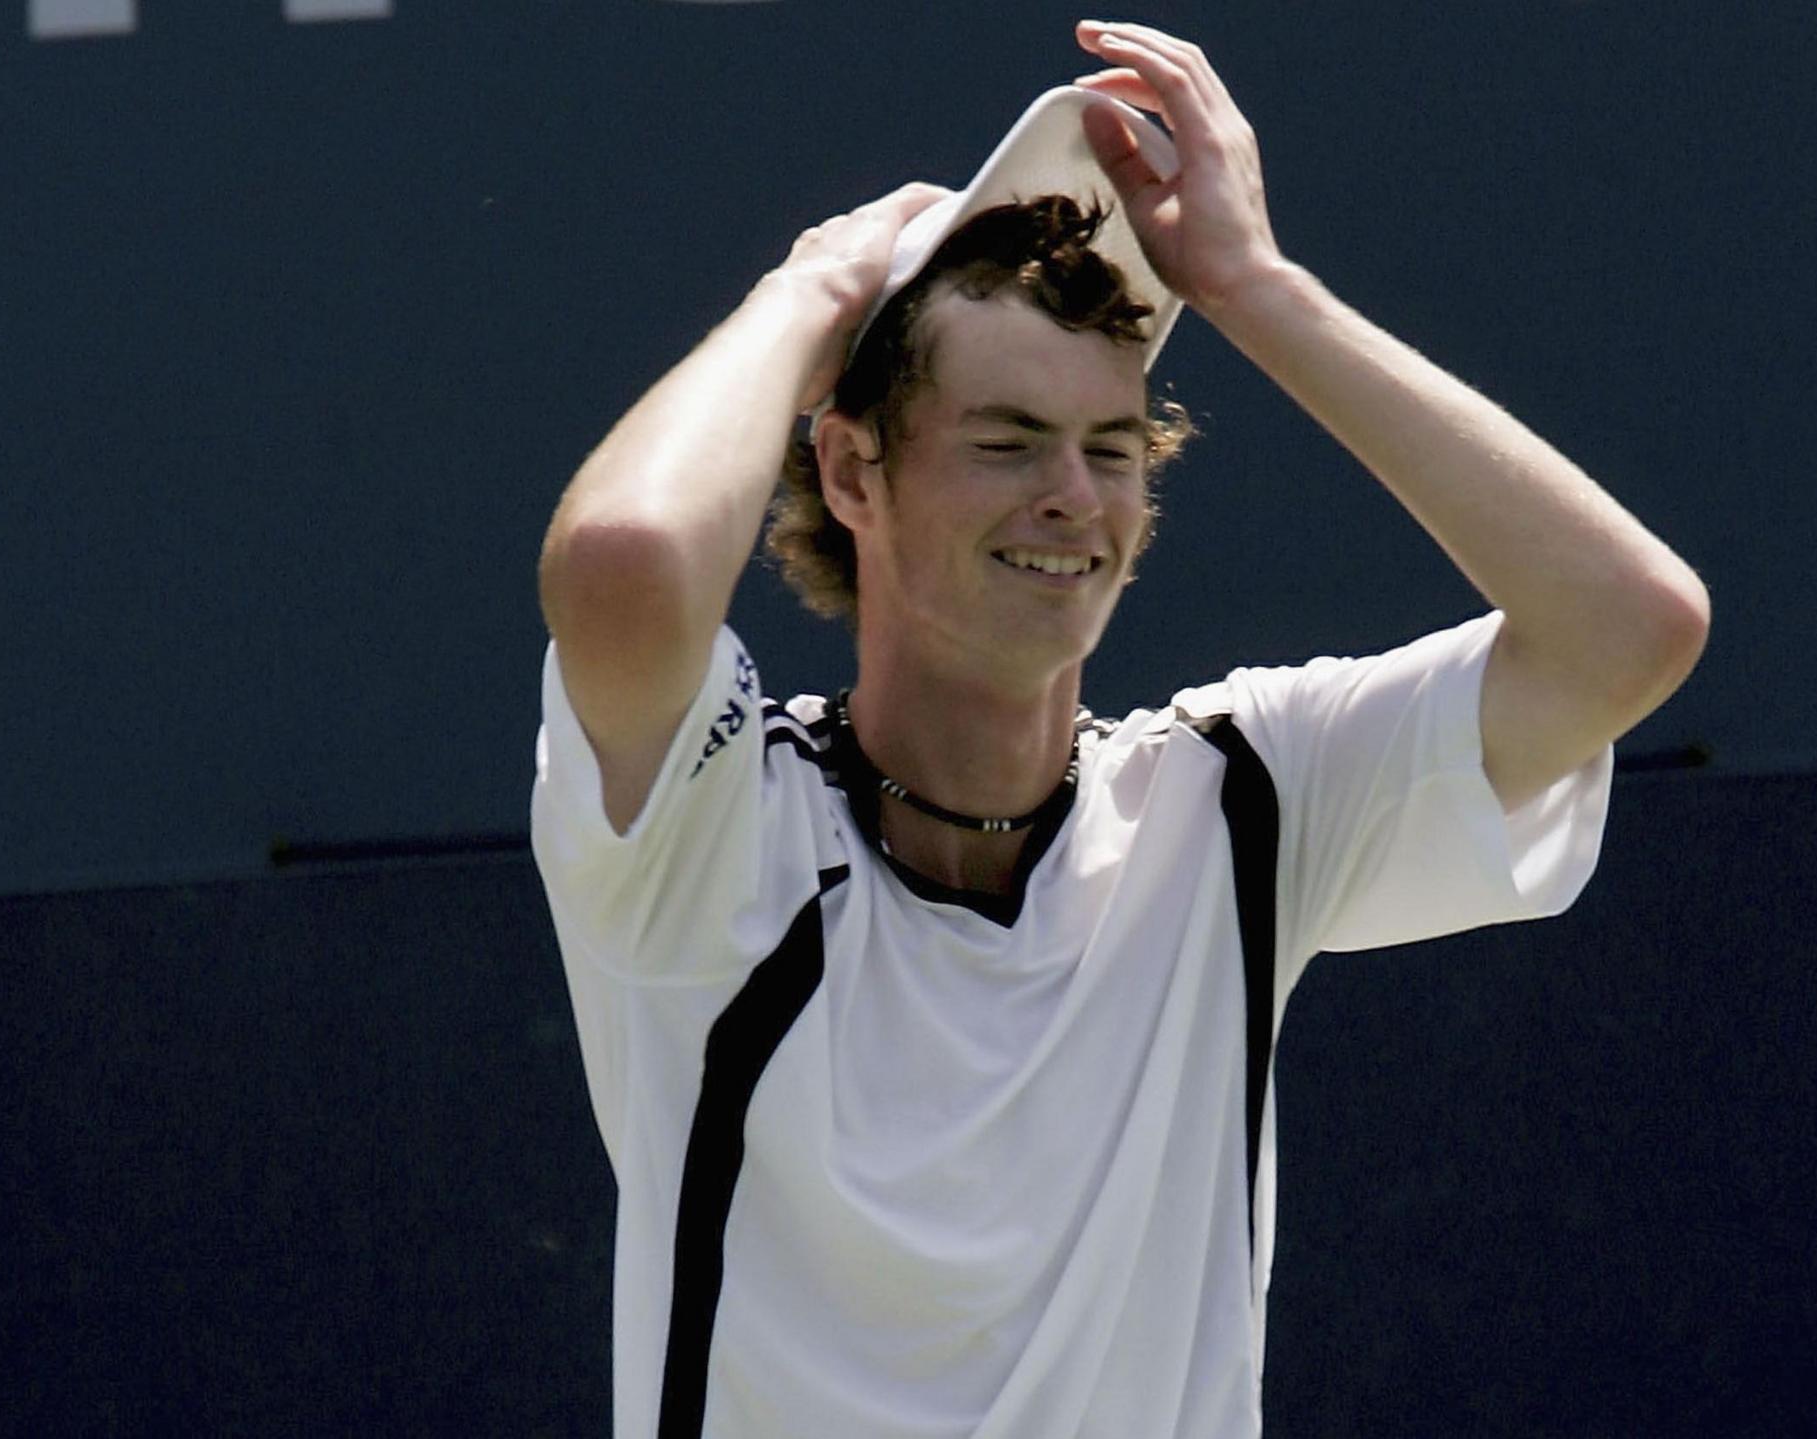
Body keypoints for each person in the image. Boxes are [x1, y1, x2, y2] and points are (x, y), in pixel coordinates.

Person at [529, 19, 1708, 1439]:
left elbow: (1632, 626)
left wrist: (1257, 289)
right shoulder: (713, 829)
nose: (1073, 500)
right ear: (852, 466)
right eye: (1007, 440)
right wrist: (812, 292)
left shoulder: (1241, 794)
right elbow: (624, 566)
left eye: (1109, 448)